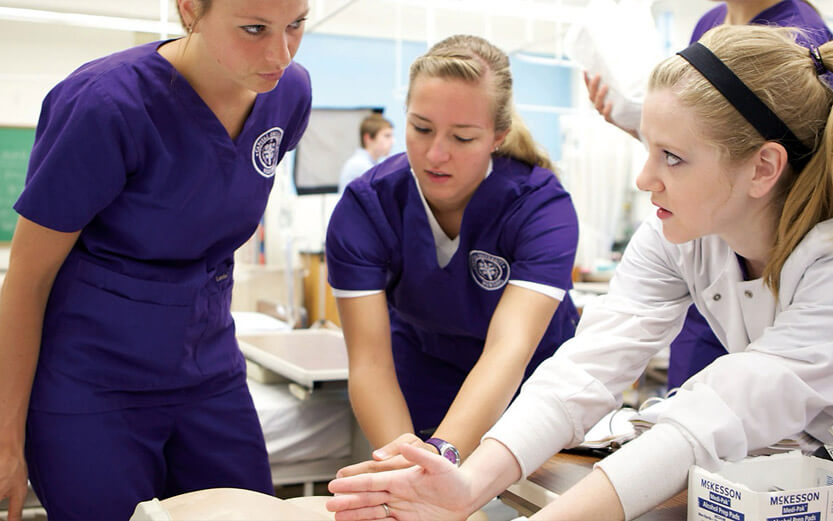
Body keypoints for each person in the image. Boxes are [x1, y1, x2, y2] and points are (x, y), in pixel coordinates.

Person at [326, 24, 833, 520]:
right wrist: (466, 487)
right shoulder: (680, 237)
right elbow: (586, 369)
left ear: (764, 168)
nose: (643, 178)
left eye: (672, 158)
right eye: (648, 150)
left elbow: (709, 418)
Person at [0, 0, 311, 520]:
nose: (279, 53)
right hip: (92, 379)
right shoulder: (105, 104)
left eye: (297, 25)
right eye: (253, 29)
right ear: (190, 9)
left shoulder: (288, 93)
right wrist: (6, 437)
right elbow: (27, 281)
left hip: (209, 366)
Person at [325, 35, 579, 474]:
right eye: (421, 128)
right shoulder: (367, 207)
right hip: (422, 370)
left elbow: (509, 349)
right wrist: (405, 463)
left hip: (532, 380)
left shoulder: (539, 207)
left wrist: (443, 453)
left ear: (498, 137)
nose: (435, 154)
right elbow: (369, 363)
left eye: (462, 138)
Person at [585, 0, 833, 390]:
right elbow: (704, 132)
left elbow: (765, 155)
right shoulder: (711, 20)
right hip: (716, 263)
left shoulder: (800, 33)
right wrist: (653, 135)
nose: (644, 180)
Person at [337, 113, 395, 194]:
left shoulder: (369, 164)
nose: (393, 142)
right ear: (368, 138)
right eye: (387, 136)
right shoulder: (360, 165)